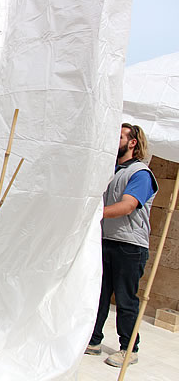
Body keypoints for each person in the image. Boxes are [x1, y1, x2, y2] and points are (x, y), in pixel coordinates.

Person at [86, 123, 158, 367]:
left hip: (130, 245)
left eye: (119, 136)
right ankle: (94, 341)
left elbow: (127, 206)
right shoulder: (113, 171)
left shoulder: (140, 173)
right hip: (106, 240)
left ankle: (129, 348)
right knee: (100, 294)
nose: (114, 139)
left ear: (132, 142)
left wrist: (94, 213)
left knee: (126, 300)